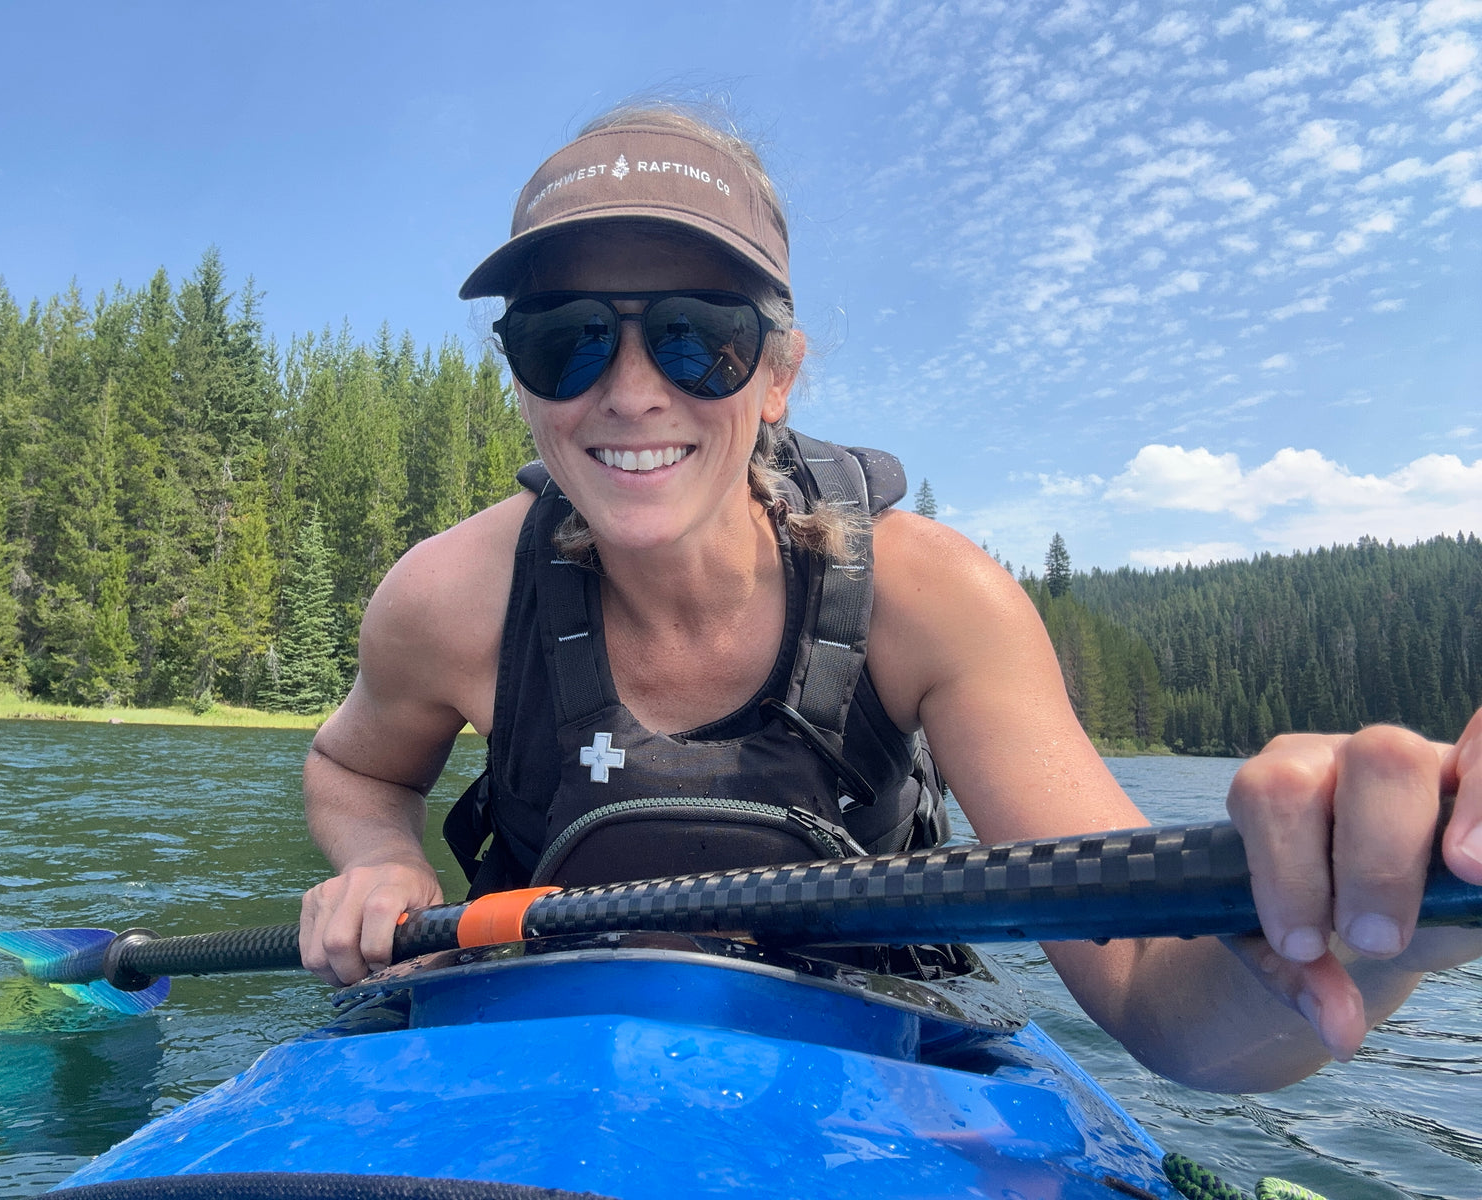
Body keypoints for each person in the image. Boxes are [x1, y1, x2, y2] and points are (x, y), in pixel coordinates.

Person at [299, 104, 1482, 1094]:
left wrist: (1380, 931)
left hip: (857, 1059)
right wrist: (378, 863)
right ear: (519, 381)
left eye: (694, 337)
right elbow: (358, 769)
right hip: (531, 1038)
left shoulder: (931, 598)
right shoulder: (450, 596)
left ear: (776, 375)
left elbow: (1155, 1002)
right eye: (562, 342)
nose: (628, 392)